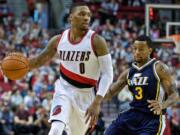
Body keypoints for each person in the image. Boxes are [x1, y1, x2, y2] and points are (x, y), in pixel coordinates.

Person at [28, 2, 113, 135]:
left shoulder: (97, 41)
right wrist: (19, 66)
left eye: (88, 15)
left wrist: (97, 101)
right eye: (81, 14)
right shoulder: (58, 40)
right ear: (70, 18)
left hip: (86, 96)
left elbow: (108, 74)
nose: (86, 18)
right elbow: (39, 60)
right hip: (64, 90)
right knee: (56, 129)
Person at [104, 35, 179, 135]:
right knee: (108, 132)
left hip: (152, 117)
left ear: (149, 50)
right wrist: (94, 98)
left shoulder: (159, 68)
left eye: (141, 49)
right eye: (135, 49)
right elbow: (110, 93)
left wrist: (162, 105)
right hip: (133, 114)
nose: (137, 52)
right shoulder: (129, 73)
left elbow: (175, 96)